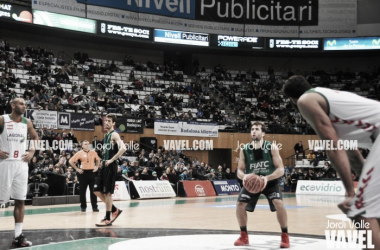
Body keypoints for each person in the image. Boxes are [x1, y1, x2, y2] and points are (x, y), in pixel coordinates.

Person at [282, 75, 380, 247]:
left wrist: (351, 193)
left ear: (292, 99)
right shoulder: (329, 101)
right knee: (372, 209)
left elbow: (333, 146)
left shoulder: (305, 100)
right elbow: (354, 157)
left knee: (358, 208)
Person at [235, 121, 289, 248]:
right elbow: (239, 171)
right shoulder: (245, 149)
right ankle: (244, 235)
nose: (254, 131)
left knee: (279, 203)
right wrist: (245, 177)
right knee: (240, 204)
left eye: (257, 129)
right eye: (252, 129)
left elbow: (281, 169)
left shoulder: (272, 147)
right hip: (252, 182)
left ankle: (285, 236)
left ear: (263, 133)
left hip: (269, 182)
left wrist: (267, 177)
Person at [0, 98, 39, 248]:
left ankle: (18, 236)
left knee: (20, 201)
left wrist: (31, 151)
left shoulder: (27, 122)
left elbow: (35, 137)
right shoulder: (3, 120)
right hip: (5, 164)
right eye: (22, 104)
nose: (24, 106)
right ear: (13, 105)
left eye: (25, 104)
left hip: (21, 164)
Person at [94, 114, 126, 226]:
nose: (106, 122)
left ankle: (107, 218)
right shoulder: (107, 135)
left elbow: (123, 148)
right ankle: (114, 210)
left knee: (107, 193)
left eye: (108, 121)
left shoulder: (114, 134)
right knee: (96, 190)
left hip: (110, 166)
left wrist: (112, 160)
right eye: (105, 121)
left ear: (113, 123)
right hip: (104, 166)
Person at [69, 140, 100, 212]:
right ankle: (83, 207)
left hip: (92, 172)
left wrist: (97, 167)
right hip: (83, 173)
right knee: (83, 191)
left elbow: (98, 160)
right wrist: (77, 169)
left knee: (93, 191)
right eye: (85, 144)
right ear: (82, 145)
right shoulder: (79, 153)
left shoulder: (93, 152)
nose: (87, 145)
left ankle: (94, 207)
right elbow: (70, 161)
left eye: (88, 144)